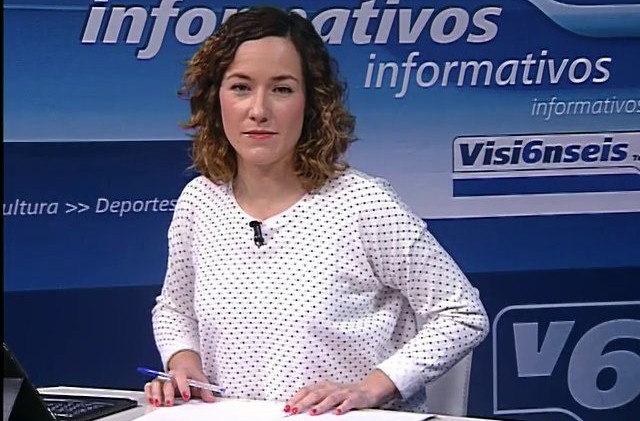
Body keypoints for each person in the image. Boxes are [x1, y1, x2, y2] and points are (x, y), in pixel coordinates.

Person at [145, 5, 489, 416]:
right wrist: (184, 362)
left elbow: (462, 313)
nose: (259, 110)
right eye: (240, 87)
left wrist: (370, 390)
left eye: (282, 89)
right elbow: (176, 308)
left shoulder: (363, 204)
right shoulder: (199, 201)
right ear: (215, 98)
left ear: (312, 103)